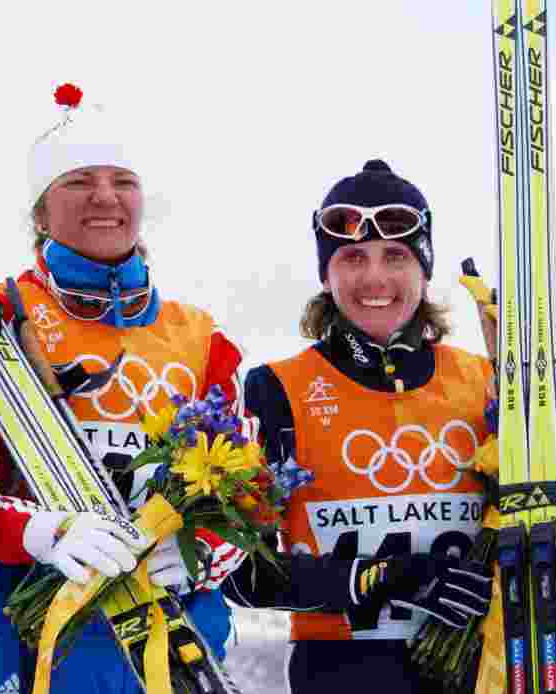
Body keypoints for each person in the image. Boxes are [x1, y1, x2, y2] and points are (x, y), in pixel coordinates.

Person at [0, 85, 249, 694]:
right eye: (79, 181)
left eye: (122, 181)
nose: (104, 198)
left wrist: (204, 550)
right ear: (40, 211)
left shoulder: (199, 335)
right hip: (36, 629)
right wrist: (42, 534)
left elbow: (252, 492)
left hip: (176, 630)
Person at [221, 160, 495, 694]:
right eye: (351, 258)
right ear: (326, 275)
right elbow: (241, 573)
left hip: (480, 669)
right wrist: (385, 576)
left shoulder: (485, 380)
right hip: (342, 676)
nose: (374, 278)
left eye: (396, 256)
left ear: (425, 268)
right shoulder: (276, 389)